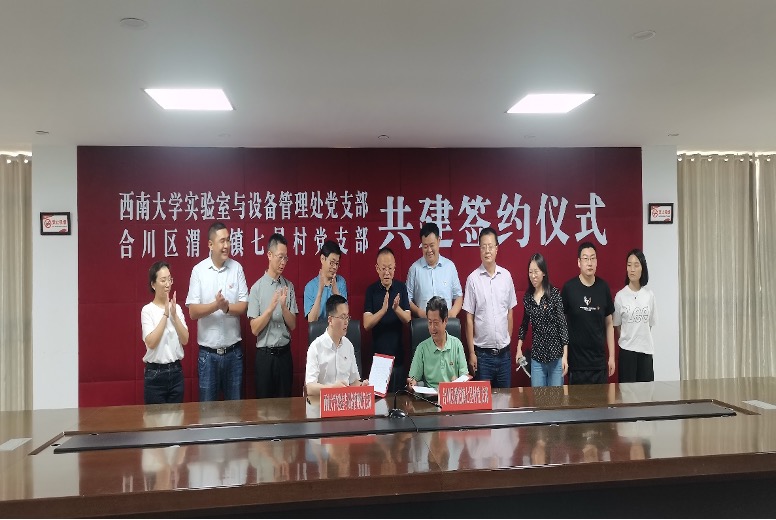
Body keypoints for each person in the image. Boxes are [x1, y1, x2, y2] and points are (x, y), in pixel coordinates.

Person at [185, 222, 249, 401]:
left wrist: (226, 307)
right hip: (208, 356)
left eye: (228, 240)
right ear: (210, 244)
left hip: (234, 354)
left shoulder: (237, 268)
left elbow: (244, 305)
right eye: (222, 241)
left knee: (235, 410)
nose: (226, 245)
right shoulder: (199, 271)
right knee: (207, 411)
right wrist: (216, 305)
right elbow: (193, 311)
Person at [462, 227, 517, 388]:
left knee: (505, 399)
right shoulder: (473, 279)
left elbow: (510, 313)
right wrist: (472, 353)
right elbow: (469, 318)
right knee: (483, 401)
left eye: (490, 246)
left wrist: (506, 341)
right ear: (479, 250)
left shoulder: (506, 277)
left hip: (504, 355)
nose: (487, 251)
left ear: (497, 249)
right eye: (483, 247)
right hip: (482, 356)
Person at [247, 233, 298, 398]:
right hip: (265, 357)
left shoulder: (289, 286)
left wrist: (283, 307)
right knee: (264, 407)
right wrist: (270, 309)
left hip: (284, 356)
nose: (283, 262)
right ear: (269, 255)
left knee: (285, 405)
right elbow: (254, 329)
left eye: (286, 258)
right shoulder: (256, 288)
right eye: (280, 257)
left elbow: (293, 325)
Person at [561, 241, 615, 385]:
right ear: (579, 262)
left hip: (598, 364)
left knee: (600, 400)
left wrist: (611, 357)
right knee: (577, 400)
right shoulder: (569, 288)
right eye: (585, 259)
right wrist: (564, 356)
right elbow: (561, 324)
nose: (589, 263)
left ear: (596, 261)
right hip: (576, 364)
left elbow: (609, 323)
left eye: (592, 258)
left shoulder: (603, 287)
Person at [516, 253, 569, 387]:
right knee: (539, 398)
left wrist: (565, 356)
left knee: (555, 398)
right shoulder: (528, 297)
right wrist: (518, 348)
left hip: (556, 357)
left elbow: (562, 325)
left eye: (536, 271)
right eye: (530, 272)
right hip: (537, 359)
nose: (533, 276)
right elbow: (524, 325)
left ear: (544, 272)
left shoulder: (554, 294)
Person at [363, 247, 411, 393]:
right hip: (378, 358)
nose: (387, 272)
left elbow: (408, 319)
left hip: (398, 357)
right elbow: (366, 324)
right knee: (379, 401)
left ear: (395, 268)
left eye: (390, 268)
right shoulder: (371, 290)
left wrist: (396, 309)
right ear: (377, 269)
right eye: (383, 268)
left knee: (399, 399)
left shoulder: (401, 288)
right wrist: (383, 311)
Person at [141, 261, 189, 404]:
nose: (168, 284)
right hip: (155, 374)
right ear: (153, 284)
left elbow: (185, 339)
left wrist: (174, 315)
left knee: (177, 416)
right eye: (163, 280)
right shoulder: (147, 310)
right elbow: (151, 342)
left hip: (176, 372)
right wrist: (165, 315)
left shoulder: (177, 309)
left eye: (169, 279)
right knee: (155, 417)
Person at [305, 295, 369, 396]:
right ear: (330, 320)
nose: (346, 322)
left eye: (347, 317)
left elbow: (353, 381)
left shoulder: (348, 345)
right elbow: (310, 388)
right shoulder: (316, 347)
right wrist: (332, 389)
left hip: (345, 402)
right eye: (342, 317)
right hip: (323, 402)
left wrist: (362, 386)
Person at [613, 249, 658, 383]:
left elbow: (650, 324)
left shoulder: (649, 295)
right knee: (627, 393)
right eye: (629, 265)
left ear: (642, 268)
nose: (632, 269)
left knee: (646, 392)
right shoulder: (620, 296)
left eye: (636, 265)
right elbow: (617, 325)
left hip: (646, 351)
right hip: (627, 352)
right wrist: (629, 338)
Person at [407, 296, 470, 390]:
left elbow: (465, 376)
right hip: (430, 397)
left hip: (451, 394)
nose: (432, 328)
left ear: (446, 321)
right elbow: (413, 380)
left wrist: (459, 381)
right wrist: (412, 384)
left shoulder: (457, 344)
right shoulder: (422, 348)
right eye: (429, 322)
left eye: (436, 323)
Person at [406, 223, 463, 318]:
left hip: (446, 323)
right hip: (424, 322)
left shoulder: (449, 267)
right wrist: (420, 313)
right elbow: (407, 298)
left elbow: (458, 296)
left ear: (439, 240)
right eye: (425, 246)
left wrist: (452, 314)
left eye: (432, 245)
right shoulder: (414, 269)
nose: (429, 250)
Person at [304, 240, 347, 322]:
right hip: (318, 330)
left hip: (337, 329)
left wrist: (336, 293)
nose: (334, 267)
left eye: (337, 264)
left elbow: (345, 316)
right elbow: (311, 321)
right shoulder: (310, 286)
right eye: (332, 263)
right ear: (322, 259)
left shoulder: (341, 282)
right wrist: (320, 292)